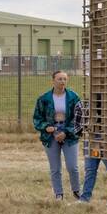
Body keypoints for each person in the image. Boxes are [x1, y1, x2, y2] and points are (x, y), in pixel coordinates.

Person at [33, 70, 82, 201]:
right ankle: (58, 194)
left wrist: (65, 132)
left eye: (64, 79)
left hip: (69, 135)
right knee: (55, 168)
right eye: (59, 79)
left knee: (73, 166)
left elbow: (79, 118)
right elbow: (37, 119)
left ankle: (77, 191)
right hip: (51, 135)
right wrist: (46, 127)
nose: (62, 82)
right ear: (53, 80)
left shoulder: (74, 97)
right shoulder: (43, 99)